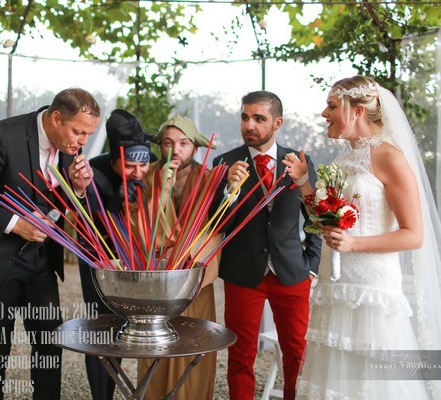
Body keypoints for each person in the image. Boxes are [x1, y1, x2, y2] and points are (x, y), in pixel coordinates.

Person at [286, 75, 441, 399]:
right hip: (336, 284)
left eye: (332, 106)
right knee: (336, 378)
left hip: (372, 289)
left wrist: (354, 244)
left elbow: (413, 235)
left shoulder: (390, 157)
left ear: (358, 110)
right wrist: (305, 182)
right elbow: (326, 222)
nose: (324, 113)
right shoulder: (343, 160)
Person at [0, 87, 100, 399]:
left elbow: (55, 206)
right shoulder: (2, 137)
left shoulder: (70, 149)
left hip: (41, 262)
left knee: (49, 347)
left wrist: (76, 187)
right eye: (79, 132)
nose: (83, 142)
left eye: (88, 134)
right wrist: (16, 224)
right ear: (56, 118)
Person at [211, 91, 322, 400]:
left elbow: (315, 215)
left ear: (277, 122)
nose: (250, 125)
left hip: (292, 273)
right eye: (245, 117)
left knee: (296, 353)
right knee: (240, 356)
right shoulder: (224, 162)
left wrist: (311, 265)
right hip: (243, 274)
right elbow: (214, 224)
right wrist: (228, 192)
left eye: (259, 118)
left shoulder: (299, 161)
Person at [135, 115, 220, 399]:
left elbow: (219, 224)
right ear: (160, 146)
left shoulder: (209, 179)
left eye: (184, 143)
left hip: (194, 277)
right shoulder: (148, 176)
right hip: (157, 278)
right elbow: (139, 223)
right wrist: (161, 190)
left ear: (195, 148)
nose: (176, 150)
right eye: (168, 143)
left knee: (194, 342)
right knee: (155, 346)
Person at [77, 108, 154, 400]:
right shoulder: (92, 175)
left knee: (121, 327)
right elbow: (88, 221)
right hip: (97, 261)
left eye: (142, 167)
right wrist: (113, 203)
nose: (138, 174)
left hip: (133, 262)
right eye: (130, 167)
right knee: (100, 329)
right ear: (113, 160)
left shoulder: (144, 175)